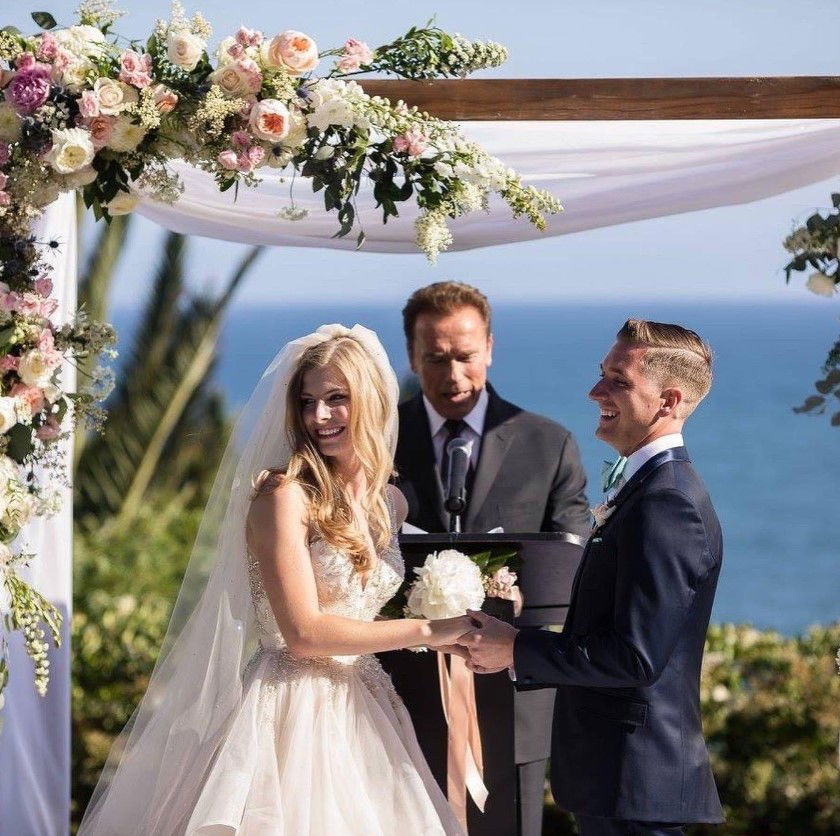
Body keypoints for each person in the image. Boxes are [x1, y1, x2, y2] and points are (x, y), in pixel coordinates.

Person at [80, 325, 470, 835]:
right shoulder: (285, 497)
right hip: (289, 710)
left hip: (363, 705)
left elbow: (357, 607)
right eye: (308, 402)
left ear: (372, 402)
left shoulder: (389, 504)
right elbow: (304, 633)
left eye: (336, 399)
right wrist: (429, 631)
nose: (319, 416)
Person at [458, 319, 725, 836]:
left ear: (669, 401)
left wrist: (516, 647)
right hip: (617, 782)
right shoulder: (651, 488)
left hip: (635, 784)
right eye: (602, 374)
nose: (595, 391)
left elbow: (635, 657)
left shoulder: (668, 502)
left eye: (618, 381)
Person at [395, 282, 592, 836]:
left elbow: (576, 558)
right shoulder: (377, 440)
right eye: (435, 359)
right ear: (411, 354)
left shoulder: (547, 443)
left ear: (489, 348)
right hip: (399, 691)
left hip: (515, 694)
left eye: (465, 356)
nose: (453, 375)